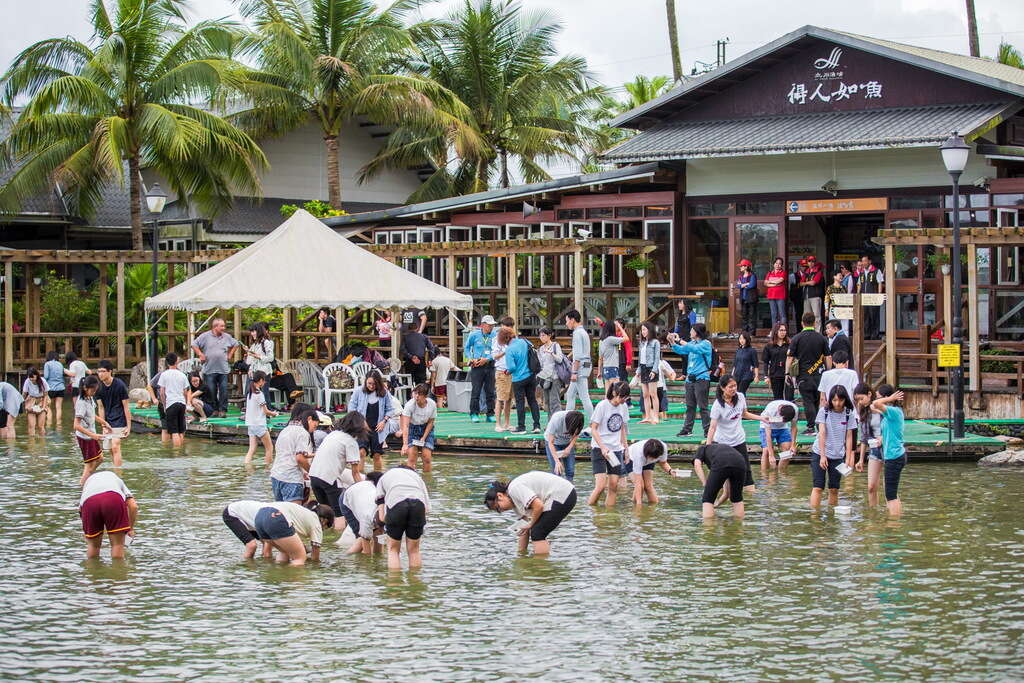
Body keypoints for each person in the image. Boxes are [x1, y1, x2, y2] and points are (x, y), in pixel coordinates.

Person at [484, 472, 577, 555]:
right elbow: (524, 530)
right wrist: (520, 554)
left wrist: (531, 524)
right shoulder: (513, 502)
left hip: (563, 493)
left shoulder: (514, 489)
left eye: (498, 508)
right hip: (563, 494)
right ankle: (539, 564)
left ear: (500, 495)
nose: (502, 511)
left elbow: (538, 506)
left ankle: (540, 566)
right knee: (536, 531)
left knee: (538, 532)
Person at [311, 412, 368, 526]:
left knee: (326, 514)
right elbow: (355, 473)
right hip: (329, 479)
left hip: (314, 476)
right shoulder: (351, 442)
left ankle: (325, 540)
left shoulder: (333, 434)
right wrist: (364, 491)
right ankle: (339, 543)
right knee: (339, 514)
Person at [706, 375, 761, 492]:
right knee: (723, 470)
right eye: (730, 387)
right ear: (722, 388)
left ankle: (750, 494)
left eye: (735, 386)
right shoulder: (717, 405)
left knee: (746, 469)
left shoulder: (740, 397)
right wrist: (708, 446)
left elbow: (745, 414)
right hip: (723, 442)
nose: (734, 389)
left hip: (738, 439)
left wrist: (762, 418)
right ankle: (721, 490)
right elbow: (712, 427)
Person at [375, 465, 431, 570]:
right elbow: (426, 509)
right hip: (418, 504)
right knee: (414, 550)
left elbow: (382, 517)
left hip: (396, 504)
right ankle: (415, 582)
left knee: (393, 550)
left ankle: (395, 583)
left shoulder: (384, 477)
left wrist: (392, 523)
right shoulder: (417, 477)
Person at [810, 386, 857, 508]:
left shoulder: (848, 414)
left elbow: (849, 436)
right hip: (819, 453)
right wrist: (822, 456)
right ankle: (815, 517)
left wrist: (848, 457)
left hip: (837, 456)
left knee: (834, 489)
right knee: (818, 487)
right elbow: (822, 433)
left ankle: (832, 514)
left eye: (840, 400)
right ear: (830, 399)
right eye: (834, 400)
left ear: (845, 399)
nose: (837, 403)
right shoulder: (824, 411)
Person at [587, 380, 630, 507]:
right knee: (600, 486)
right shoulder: (602, 406)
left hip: (615, 450)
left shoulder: (624, 407)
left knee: (613, 486)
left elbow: (622, 429)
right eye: (621, 397)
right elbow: (593, 428)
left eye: (625, 397)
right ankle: (591, 509)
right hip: (599, 449)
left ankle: (609, 515)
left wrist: (626, 449)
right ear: (614, 393)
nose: (623, 400)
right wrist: (603, 447)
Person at [253, 501, 334, 566]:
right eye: (325, 528)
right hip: (277, 516)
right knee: (300, 558)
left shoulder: (303, 514)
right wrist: (316, 567)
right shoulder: (316, 523)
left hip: (260, 516)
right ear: (324, 521)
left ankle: (279, 573)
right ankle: (293, 583)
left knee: (285, 552)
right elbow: (315, 557)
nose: (323, 530)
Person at [79, 470, 138, 559]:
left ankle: (92, 572)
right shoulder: (116, 479)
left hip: (89, 502)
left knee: (93, 546)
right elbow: (133, 506)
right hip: (113, 497)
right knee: (117, 545)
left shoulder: (88, 483)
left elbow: (81, 510)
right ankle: (118, 571)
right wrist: (130, 529)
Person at [349, 370, 399, 471]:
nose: (371, 386)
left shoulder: (384, 393)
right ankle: (360, 477)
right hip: (363, 428)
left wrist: (383, 421)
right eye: (369, 383)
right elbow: (352, 407)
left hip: (378, 428)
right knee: (361, 452)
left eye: (374, 384)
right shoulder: (359, 391)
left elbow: (390, 409)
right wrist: (360, 421)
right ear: (365, 382)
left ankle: (377, 478)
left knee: (377, 455)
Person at [668, 323, 713, 437]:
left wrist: (680, 340)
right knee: (690, 406)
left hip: (702, 378)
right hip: (690, 378)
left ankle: (708, 430)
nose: (690, 332)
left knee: (703, 406)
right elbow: (682, 350)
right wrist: (672, 342)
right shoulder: (691, 343)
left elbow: (694, 349)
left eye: (692, 330)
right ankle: (687, 429)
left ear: (697, 332)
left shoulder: (706, 344)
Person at [787, 312, 828, 436]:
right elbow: (828, 356)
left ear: (802, 323)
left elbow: (790, 357)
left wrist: (787, 373)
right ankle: (818, 426)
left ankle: (811, 427)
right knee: (816, 400)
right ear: (814, 323)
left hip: (803, 375)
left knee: (808, 400)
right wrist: (828, 371)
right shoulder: (822, 338)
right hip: (819, 374)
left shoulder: (796, 338)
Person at [245, 322, 303, 409]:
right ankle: (249, 409)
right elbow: (249, 361)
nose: (252, 333)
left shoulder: (267, 342)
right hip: (255, 372)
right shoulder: (254, 345)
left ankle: (268, 411)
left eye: (254, 331)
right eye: (251, 331)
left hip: (265, 372)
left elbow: (270, 358)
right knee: (248, 391)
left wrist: (257, 356)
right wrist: (248, 353)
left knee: (265, 393)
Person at [190, 318, 239, 417]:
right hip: (209, 369)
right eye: (222, 326)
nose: (224, 328)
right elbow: (194, 344)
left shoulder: (227, 337)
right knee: (211, 391)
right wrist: (200, 354)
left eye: (224, 326)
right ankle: (214, 410)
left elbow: (236, 344)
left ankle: (223, 410)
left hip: (223, 369)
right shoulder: (205, 336)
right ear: (215, 327)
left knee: (224, 390)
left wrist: (230, 354)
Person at [270, 408, 319, 503]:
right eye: (315, 425)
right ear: (309, 419)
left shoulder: (285, 430)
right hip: (291, 479)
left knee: (281, 512)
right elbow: (300, 458)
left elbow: (289, 453)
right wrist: (312, 473)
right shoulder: (302, 433)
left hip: (276, 475)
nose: (314, 430)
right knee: (293, 514)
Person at [872, 384, 906, 516]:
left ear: (886, 398)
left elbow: (875, 403)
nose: (877, 399)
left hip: (894, 456)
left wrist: (888, 399)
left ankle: (894, 524)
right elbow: (874, 406)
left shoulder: (894, 411)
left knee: (890, 494)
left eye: (880, 397)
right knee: (891, 491)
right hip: (893, 455)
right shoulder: (891, 413)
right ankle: (896, 516)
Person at [693, 444, 747, 519]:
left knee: (707, 499)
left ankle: (708, 529)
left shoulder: (702, 448)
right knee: (737, 498)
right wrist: (717, 504)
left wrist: (705, 483)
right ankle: (739, 526)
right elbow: (726, 493)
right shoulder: (718, 451)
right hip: (740, 461)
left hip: (721, 462)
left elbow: (697, 465)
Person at [75, 376, 111, 486]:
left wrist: (104, 423)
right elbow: (76, 425)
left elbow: (92, 415)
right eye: (92, 390)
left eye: (95, 390)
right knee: (90, 465)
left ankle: (87, 476)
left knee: (99, 459)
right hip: (85, 437)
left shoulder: (89, 398)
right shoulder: (81, 402)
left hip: (91, 434)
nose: (94, 393)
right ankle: (83, 483)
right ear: (85, 388)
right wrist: (93, 435)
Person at [505, 329, 541, 434]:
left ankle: (521, 427)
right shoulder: (524, 341)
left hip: (518, 379)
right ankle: (536, 425)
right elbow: (533, 350)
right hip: (530, 375)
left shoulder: (509, 349)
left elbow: (511, 367)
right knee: (532, 400)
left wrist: (507, 372)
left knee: (520, 402)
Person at [340, 471, 385, 555]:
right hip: (347, 497)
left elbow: (380, 536)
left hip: (363, 491)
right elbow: (366, 553)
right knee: (361, 539)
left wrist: (379, 558)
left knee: (378, 533)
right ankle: (346, 557)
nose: (380, 529)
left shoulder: (385, 509)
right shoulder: (366, 519)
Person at [853, 383, 883, 506]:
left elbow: (893, 426)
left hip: (888, 447)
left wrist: (883, 437)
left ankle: (892, 515)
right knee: (871, 487)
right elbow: (864, 437)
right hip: (874, 449)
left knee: (889, 488)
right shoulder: (863, 410)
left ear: (869, 394)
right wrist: (860, 460)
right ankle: (873, 514)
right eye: (857, 400)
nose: (860, 402)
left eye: (861, 398)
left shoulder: (881, 407)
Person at [95, 360, 130, 465]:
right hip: (107, 421)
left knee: (115, 446)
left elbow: (126, 406)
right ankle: (117, 468)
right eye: (99, 371)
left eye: (103, 371)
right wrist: (103, 425)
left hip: (120, 420)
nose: (100, 374)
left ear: (110, 371)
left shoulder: (120, 385)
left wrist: (129, 426)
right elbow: (101, 408)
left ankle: (118, 474)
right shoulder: (98, 388)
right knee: (110, 449)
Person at [463, 314, 497, 424]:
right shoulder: (474, 335)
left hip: (490, 365)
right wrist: (471, 358)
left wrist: (487, 359)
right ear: (483, 325)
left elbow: (497, 351)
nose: (491, 327)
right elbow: (467, 348)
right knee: (476, 391)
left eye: (492, 325)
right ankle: (474, 413)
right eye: (489, 325)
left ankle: (490, 414)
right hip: (477, 366)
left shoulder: (495, 335)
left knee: (490, 391)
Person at [563, 309, 594, 429]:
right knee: (570, 394)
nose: (566, 324)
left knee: (584, 396)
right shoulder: (583, 332)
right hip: (586, 364)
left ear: (572, 320)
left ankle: (593, 423)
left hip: (579, 367)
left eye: (567, 321)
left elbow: (578, 356)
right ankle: (567, 421)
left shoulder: (577, 333)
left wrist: (574, 372)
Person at [625, 439, 676, 505]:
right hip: (631, 460)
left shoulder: (662, 448)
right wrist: (639, 506)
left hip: (648, 459)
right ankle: (635, 506)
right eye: (651, 458)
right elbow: (638, 483)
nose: (652, 459)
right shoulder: (638, 454)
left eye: (654, 458)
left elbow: (663, 462)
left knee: (648, 486)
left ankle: (654, 506)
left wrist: (670, 471)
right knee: (641, 486)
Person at [244, 371, 278, 465]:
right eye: (264, 381)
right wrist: (274, 414)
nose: (265, 383)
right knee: (269, 448)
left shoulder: (250, 393)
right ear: (260, 380)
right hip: (259, 424)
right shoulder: (259, 394)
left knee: (252, 449)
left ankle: (247, 466)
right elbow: (266, 411)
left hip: (251, 424)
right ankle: (268, 470)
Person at [401, 384, 437, 471]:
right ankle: (411, 479)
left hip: (426, 429)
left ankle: (427, 481)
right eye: (415, 393)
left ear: (425, 396)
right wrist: (405, 444)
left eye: (419, 394)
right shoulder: (409, 405)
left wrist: (424, 437)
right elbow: (405, 425)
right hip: (412, 428)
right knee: (412, 458)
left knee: (427, 457)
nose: (417, 396)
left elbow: (431, 422)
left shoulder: (432, 404)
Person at [158, 353, 189, 447]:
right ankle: (181, 450)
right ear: (177, 361)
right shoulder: (182, 375)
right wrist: (186, 404)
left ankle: (176, 453)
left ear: (167, 363)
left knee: (174, 431)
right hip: (181, 403)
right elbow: (185, 392)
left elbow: (162, 392)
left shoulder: (164, 375)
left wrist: (164, 404)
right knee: (181, 430)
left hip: (171, 403)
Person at [758, 399, 798, 471]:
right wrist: (771, 455)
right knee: (766, 451)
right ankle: (765, 477)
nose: (782, 421)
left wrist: (793, 445)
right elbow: (768, 435)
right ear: (779, 411)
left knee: (787, 451)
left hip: (783, 428)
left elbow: (794, 427)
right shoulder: (770, 409)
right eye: (782, 419)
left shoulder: (795, 410)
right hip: (767, 427)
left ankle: (781, 474)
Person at [544, 410, 584, 481]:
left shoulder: (578, 420)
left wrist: (569, 448)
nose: (574, 432)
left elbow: (576, 436)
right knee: (557, 472)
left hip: (567, 443)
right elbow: (550, 442)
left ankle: (569, 490)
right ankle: (557, 490)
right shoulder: (557, 419)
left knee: (570, 471)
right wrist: (557, 461)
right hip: (553, 443)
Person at [637, 322, 662, 425]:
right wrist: (638, 371)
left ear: (649, 330)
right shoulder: (642, 343)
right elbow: (639, 359)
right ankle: (647, 416)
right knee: (645, 394)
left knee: (653, 394)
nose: (642, 332)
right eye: (642, 330)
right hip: (643, 368)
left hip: (651, 368)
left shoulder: (655, 342)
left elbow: (657, 358)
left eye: (644, 330)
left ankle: (655, 417)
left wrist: (654, 370)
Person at [536, 327, 565, 416]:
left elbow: (560, 359)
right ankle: (550, 424)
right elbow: (541, 364)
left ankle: (558, 423)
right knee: (547, 401)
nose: (541, 337)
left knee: (554, 401)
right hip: (545, 378)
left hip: (555, 377)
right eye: (540, 335)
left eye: (543, 335)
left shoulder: (555, 345)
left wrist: (551, 353)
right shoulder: (541, 349)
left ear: (549, 336)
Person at [762, 323, 793, 401]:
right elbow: (765, 362)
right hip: (775, 375)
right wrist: (766, 376)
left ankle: (789, 413)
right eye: (781, 330)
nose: (783, 332)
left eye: (785, 330)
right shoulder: (769, 345)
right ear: (776, 331)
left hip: (788, 375)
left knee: (789, 398)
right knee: (778, 399)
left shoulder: (790, 344)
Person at [492, 324, 514, 433]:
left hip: (511, 371)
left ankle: (507, 423)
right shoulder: (497, 340)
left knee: (509, 399)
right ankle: (497, 424)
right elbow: (494, 356)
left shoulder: (512, 341)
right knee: (500, 398)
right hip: (501, 371)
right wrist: (506, 351)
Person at [857, 254, 884, 340]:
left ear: (869, 261)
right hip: (864, 298)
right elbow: (859, 284)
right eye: (862, 261)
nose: (863, 263)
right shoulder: (861, 272)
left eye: (865, 261)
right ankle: (866, 334)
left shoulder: (876, 271)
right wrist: (858, 294)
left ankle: (875, 335)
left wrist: (879, 295)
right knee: (865, 316)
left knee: (874, 316)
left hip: (873, 298)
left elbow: (880, 283)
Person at [21, 366, 49, 435]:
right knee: (31, 426)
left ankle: (42, 443)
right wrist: (20, 402)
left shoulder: (43, 381)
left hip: (42, 400)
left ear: (36, 375)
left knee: (40, 426)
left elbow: (45, 395)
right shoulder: (27, 381)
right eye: (29, 377)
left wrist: (43, 407)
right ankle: (31, 444)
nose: (31, 379)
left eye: (32, 377)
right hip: (31, 401)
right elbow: (24, 394)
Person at [42, 350, 68, 426]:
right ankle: (58, 424)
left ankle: (49, 424)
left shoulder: (47, 364)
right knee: (59, 407)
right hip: (61, 388)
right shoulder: (60, 364)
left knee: (48, 407)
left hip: (51, 388)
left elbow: (46, 376)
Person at [800, 255, 825, 331]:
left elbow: (814, 282)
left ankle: (817, 333)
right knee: (806, 316)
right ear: (807, 262)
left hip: (815, 296)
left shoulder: (818, 271)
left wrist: (805, 282)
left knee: (816, 316)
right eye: (809, 261)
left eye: (813, 261)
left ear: (815, 262)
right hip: (806, 296)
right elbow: (800, 283)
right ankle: (807, 331)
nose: (811, 263)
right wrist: (808, 282)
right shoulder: (806, 272)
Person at [597, 319, 625, 384]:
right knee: (616, 391)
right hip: (613, 367)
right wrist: (620, 327)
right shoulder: (611, 339)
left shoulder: (601, 341)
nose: (616, 328)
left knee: (608, 392)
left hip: (605, 368)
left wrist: (599, 372)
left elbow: (600, 358)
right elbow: (626, 338)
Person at [736, 258, 759, 335]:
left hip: (751, 299)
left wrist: (743, 285)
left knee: (752, 316)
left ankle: (752, 333)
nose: (740, 267)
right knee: (744, 316)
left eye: (741, 266)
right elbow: (738, 285)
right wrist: (746, 284)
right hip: (743, 298)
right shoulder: (741, 276)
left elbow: (751, 285)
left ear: (746, 266)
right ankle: (744, 333)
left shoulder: (752, 275)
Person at [765, 257, 788, 327]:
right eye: (776, 263)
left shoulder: (783, 272)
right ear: (773, 264)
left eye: (780, 264)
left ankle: (783, 331)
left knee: (782, 314)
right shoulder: (769, 273)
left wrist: (771, 281)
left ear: (782, 265)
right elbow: (765, 283)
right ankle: (774, 331)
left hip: (780, 296)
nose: (778, 265)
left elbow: (780, 280)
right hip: (771, 296)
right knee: (773, 314)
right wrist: (775, 283)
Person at [789, 261, 805, 329]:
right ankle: (799, 330)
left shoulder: (809, 274)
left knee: (806, 315)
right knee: (798, 314)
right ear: (799, 267)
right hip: (797, 298)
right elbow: (791, 288)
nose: (804, 268)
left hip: (807, 297)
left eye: (805, 266)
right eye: (802, 266)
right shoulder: (793, 275)